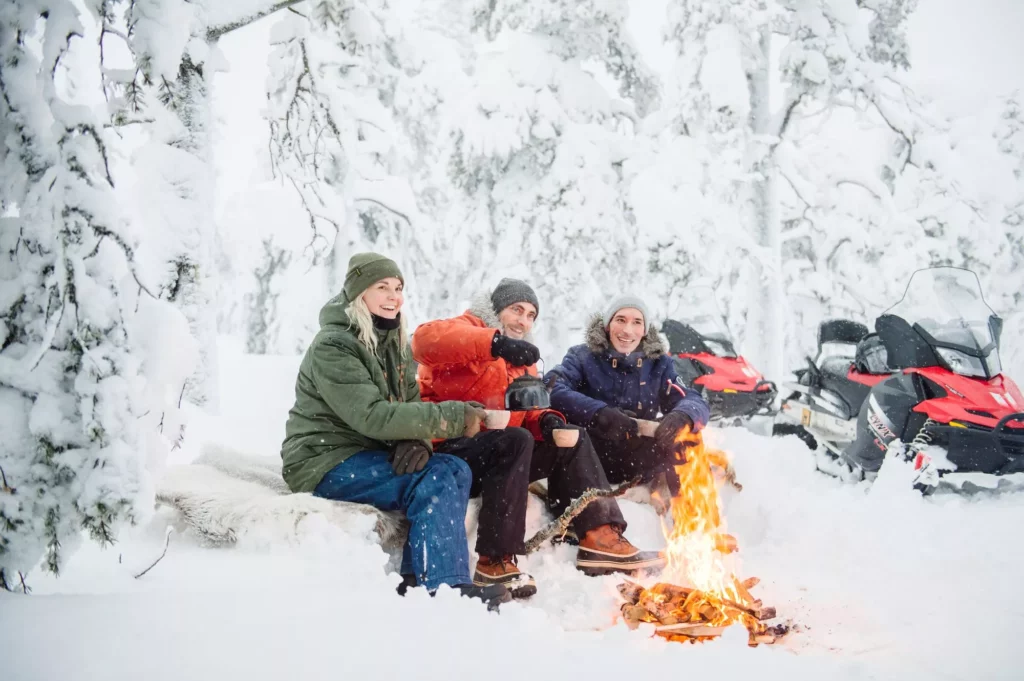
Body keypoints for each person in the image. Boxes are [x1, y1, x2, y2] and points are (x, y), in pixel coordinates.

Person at [281, 252, 508, 609]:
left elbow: (409, 401)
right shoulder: (334, 345)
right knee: (433, 479)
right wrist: (453, 416)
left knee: (453, 468)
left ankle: (418, 578)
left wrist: (418, 440)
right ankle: (444, 587)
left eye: (398, 288)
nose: (393, 296)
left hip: (364, 452)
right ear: (359, 294)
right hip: (323, 460)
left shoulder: (393, 340)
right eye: (382, 287)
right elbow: (371, 415)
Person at [412, 279, 664, 594]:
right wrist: (494, 343)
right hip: (452, 451)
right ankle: (494, 560)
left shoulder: (523, 358)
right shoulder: (465, 329)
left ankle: (600, 536)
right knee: (515, 439)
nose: (524, 320)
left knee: (572, 436)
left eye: (531, 315)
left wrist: (548, 422)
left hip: (501, 456)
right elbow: (422, 342)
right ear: (496, 309)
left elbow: (528, 410)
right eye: (517, 310)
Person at [547, 295, 711, 502]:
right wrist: (599, 413)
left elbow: (692, 399)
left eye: (637, 322)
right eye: (621, 320)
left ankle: (693, 520)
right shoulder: (582, 356)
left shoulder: (659, 363)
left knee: (688, 435)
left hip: (638, 458)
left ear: (645, 331)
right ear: (608, 325)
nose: (627, 330)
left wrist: (683, 415)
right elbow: (552, 387)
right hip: (590, 456)